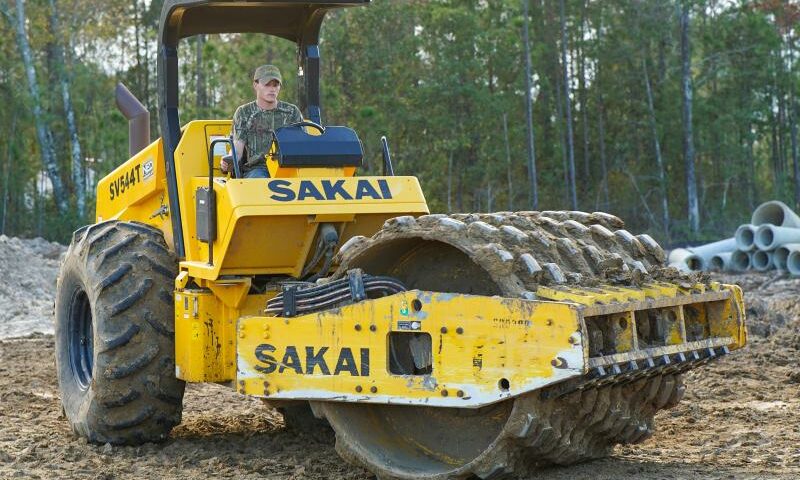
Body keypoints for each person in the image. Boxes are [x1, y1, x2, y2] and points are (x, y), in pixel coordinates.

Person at [221, 65, 303, 178]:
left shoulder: (292, 112)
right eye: (267, 85)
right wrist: (229, 159)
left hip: (288, 167)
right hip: (258, 169)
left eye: (275, 85)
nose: (272, 89)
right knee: (259, 185)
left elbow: (303, 144)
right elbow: (237, 148)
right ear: (256, 85)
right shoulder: (244, 113)